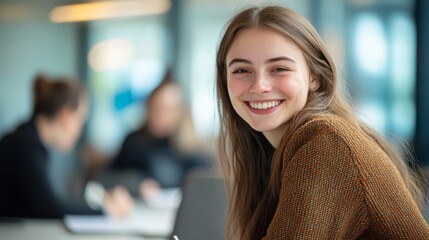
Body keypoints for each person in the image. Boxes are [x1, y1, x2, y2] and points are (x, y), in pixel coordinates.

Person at [215, 5, 429, 239]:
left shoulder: (326, 141)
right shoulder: (270, 151)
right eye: (241, 70)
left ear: (314, 77)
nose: (259, 86)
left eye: (279, 68)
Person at [0, 73, 133, 219]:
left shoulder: (28, 140)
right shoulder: (25, 146)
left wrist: (102, 202)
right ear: (66, 115)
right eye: (80, 120)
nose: (80, 131)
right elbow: (50, 208)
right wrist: (106, 209)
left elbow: (50, 201)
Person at [93, 72, 212, 200]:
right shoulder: (134, 143)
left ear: (180, 112)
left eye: (168, 109)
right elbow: (105, 178)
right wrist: (137, 185)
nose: (160, 114)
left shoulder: (194, 149)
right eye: (156, 107)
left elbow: (207, 187)